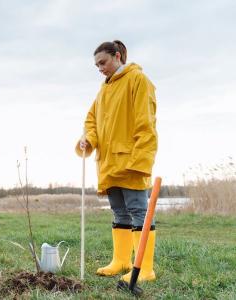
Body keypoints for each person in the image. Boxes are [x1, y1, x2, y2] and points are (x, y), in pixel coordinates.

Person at [75, 40, 158, 283]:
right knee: (119, 212)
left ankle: (144, 268)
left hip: (131, 161)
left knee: (139, 212)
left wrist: (141, 161)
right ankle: (121, 261)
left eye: (103, 62)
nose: (100, 68)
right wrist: (87, 139)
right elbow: (91, 120)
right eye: (96, 65)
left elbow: (147, 124)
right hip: (108, 163)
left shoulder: (138, 81)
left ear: (118, 56)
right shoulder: (104, 90)